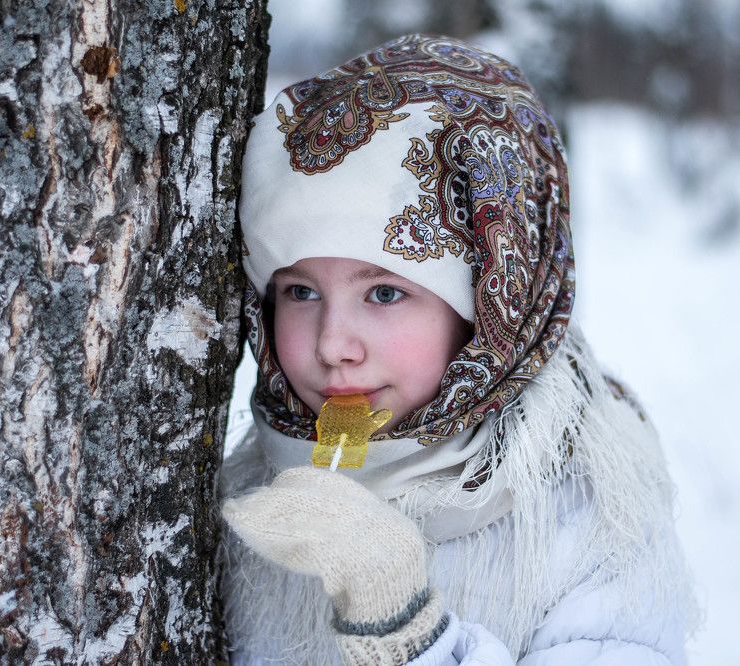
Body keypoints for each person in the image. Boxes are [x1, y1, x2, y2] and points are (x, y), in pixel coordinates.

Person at [218, 34, 697, 665]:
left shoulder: (590, 509)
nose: (333, 346)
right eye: (301, 292)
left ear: (491, 303)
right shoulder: (250, 484)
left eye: (385, 294)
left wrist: (409, 632)